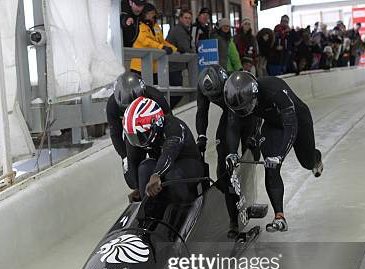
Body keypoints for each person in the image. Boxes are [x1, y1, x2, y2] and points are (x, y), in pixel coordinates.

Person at [224, 72, 324, 232]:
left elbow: (291, 125)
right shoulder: (236, 100)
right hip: (272, 124)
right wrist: (231, 152)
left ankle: (315, 157)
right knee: (271, 167)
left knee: (306, 162)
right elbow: (233, 127)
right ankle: (280, 217)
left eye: (247, 107)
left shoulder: (274, 90)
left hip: (297, 120)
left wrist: (280, 155)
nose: (245, 112)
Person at [196, 65, 258, 238]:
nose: (215, 98)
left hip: (248, 115)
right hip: (229, 117)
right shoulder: (202, 86)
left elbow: (257, 103)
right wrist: (201, 135)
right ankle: (233, 213)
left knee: (249, 157)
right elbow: (202, 112)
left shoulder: (236, 80)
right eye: (212, 97)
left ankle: (247, 199)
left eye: (217, 95)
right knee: (224, 166)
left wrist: (255, 133)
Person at [122, 96, 206, 212]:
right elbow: (133, 161)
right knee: (144, 167)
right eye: (134, 137)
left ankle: (184, 210)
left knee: (172, 174)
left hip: (189, 164)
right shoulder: (141, 138)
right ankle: (149, 215)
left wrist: (157, 174)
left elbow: (169, 153)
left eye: (141, 136)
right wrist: (138, 188)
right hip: (163, 165)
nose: (138, 142)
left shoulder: (174, 127)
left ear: (156, 122)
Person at [106, 72, 172, 201]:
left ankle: (164, 187)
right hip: (133, 136)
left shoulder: (155, 96)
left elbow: (170, 123)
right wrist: (124, 156)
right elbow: (115, 133)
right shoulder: (112, 105)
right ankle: (142, 193)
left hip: (154, 133)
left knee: (161, 163)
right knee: (132, 178)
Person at [130, 3, 177, 80]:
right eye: (150, 13)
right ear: (144, 14)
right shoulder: (138, 26)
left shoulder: (156, 26)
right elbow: (146, 41)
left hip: (154, 67)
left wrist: (174, 49)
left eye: (153, 13)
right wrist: (161, 47)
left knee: (154, 90)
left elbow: (162, 41)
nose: (152, 16)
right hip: (139, 67)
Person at [166, 9, 195, 108]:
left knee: (176, 92)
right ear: (180, 19)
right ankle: (166, 111)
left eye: (189, 18)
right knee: (177, 92)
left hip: (174, 66)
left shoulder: (182, 30)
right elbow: (185, 47)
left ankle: (167, 111)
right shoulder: (179, 30)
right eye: (185, 18)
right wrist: (196, 55)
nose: (188, 20)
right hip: (173, 66)